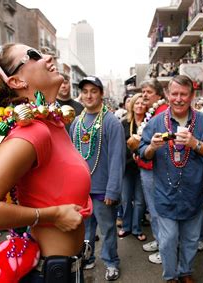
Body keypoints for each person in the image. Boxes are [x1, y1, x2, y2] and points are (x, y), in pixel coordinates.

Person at [0, 43, 92, 282]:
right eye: (33, 56)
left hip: (70, 269)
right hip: (50, 275)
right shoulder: (34, 133)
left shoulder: (52, 123)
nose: (48, 57)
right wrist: (52, 214)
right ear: (17, 81)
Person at [139, 75, 203, 282]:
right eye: (174, 94)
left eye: (183, 94)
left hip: (193, 193)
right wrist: (151, 148)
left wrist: (196, 144)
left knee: (191, 239)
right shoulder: (157, 122)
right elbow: (141, 151)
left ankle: (185, 271)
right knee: (167, 240)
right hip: (165, 193)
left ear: (192, 96)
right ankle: (170, 276)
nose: (178, 99)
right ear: (167, 94)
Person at [69, 76, 125, 281]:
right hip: (82, 189)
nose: (89, 95)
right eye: (85, 91)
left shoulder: (111, 123)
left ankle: (111, 262)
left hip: (102, 189)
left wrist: (112, 190)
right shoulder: (77, 122)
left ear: (101, 94)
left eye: (93, 91)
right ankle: (88, 256)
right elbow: (72, 157)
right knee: (86, 228)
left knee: (108, 228)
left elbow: (117, 160)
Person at [136, 78, 167, 264]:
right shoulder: (154, 110)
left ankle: (165, 250)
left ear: (158, 94)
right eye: (143, 91)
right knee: (153, 209)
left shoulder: (161, 111)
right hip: (147, 165)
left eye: (148, 91)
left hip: (154, 168)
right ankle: (159, 240)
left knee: (157, 210)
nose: (144, 95)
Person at [118, 93, 147, 241]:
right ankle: (126, 226)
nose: (140, 106)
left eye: (143, 103)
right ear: (132, 105)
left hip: (144, 166)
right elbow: (121, 145)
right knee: (126, 198)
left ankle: (137, 228)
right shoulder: (124, 123)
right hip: (128, 167)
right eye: (137, 103)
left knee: (141, 200)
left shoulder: (150, 122)